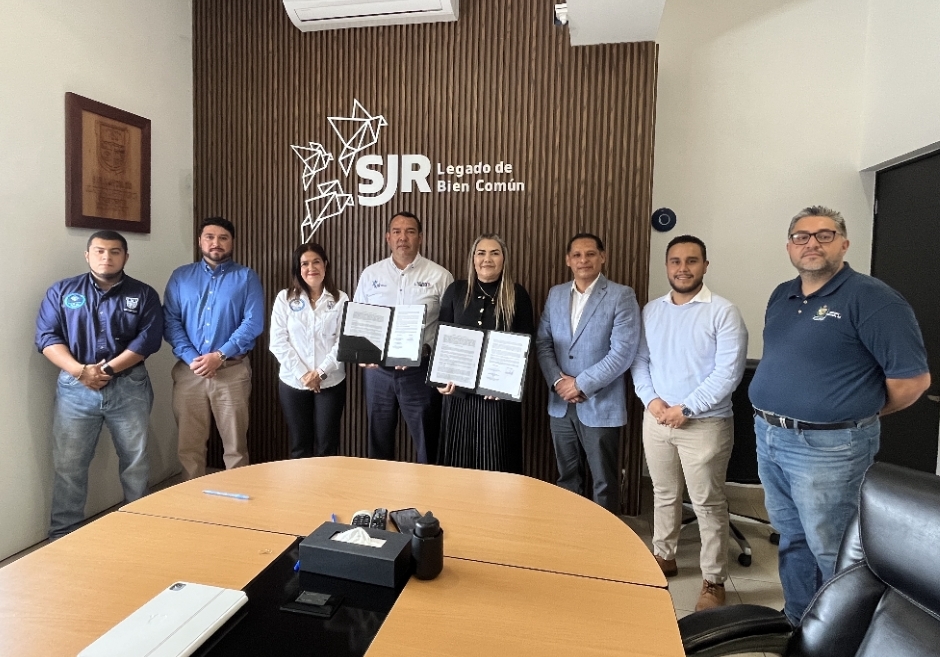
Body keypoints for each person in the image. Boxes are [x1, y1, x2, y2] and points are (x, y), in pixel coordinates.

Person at [749, 205, 930, 624]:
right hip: (770, 436)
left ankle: (842, 633)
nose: (811, 243)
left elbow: (913, 382)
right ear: (790, 247)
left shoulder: (874, 299)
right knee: (791, 537)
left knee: (832, 547)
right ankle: (800, 622)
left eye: (824, 235)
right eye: (801, 236)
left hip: (829, 447)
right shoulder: (782, 295)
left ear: (844, 244)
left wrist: (853, 413)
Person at [631, 235, 748, 611]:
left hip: (704, 424)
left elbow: (727, 373)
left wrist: (686, 409)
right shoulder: (652, 311)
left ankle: (713, 580)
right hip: (657, 419)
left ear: (705, 266)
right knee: (664, 493)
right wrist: (652, 401)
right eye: (676, 261)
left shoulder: (723, 312)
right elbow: (640, 361)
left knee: (707, 503)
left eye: (692, 261)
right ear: (667, 266)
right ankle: (663, 556)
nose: (683, 268)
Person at [36, 231, 163, 539]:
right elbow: (47, 337)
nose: (107, 257)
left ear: (126, 257)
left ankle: (139, 529)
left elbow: (148, 340)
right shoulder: (62, 291)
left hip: (129, 386)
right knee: (69, 465)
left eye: (115, 252)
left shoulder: (143, 294)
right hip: (75, 389)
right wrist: (80, 371)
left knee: (135, 461)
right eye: (99, 251)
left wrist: (104, 369)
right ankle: (63, 535)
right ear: (87, 255)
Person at [535, 233, 640, 514]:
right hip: (560, 403)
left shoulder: (621, 295)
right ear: (568, 260)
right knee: (567, 477)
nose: (584, 260)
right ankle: (571, 531)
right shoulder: (556, 294)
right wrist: (558, 381)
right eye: (577, 255)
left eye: (591, 254)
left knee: (604, 481)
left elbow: (623, 353)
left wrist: (580, 384)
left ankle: (606, 538)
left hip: (600, 402)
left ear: (602, 257)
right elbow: (543, 342)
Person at [163, 216, 265, 480]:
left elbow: (253, 322)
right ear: (200, 241)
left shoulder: (246, 277)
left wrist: (219, 356)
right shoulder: (181, 277)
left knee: (235, 447)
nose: (216, 243)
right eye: (209, 237)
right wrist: (193, 359)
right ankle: (192, 499)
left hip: (232, 371)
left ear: (232, 242)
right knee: (189, 447)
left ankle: (237, 496)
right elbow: (170, 321)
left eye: (223, 238)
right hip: (190, 372)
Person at [353, 211, 453, 464]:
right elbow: (359, 320)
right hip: (378, 373)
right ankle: (380, 490)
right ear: (388, 237)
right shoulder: (371, 274)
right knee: (378, 442)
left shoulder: (440, 276)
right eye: (397, 231)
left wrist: (427, 349)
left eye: (410, 231)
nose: (403, 237)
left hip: (420, 372)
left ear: (420, 237)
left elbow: (449, 328)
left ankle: (428, 489)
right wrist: (361, 351)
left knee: (427, 442)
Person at [436, 233, 535, 473]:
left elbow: (526, 345)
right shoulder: (456, 291)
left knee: (496, 464)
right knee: (457, 465)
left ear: (504, 259)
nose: (487, 259)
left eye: (494, 253)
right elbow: (442, 338)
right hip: (458, 395)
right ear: (473, 259)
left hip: (497, 399)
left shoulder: (517, 294)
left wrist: (506, 384)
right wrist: (440, 379)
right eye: (481, 253)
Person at [270, 243, 348, 458]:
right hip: (293, 382)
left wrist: (320, 372)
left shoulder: (341, 299)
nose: (311, 268)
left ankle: (326, 482)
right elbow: (277, 342)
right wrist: (304, 374)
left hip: (330, 381)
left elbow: (343, 342)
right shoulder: (285, 298)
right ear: (298, 268)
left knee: (327, 446)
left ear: (325, 265)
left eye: (316, 262)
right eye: (304, 263)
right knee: (300, 445)